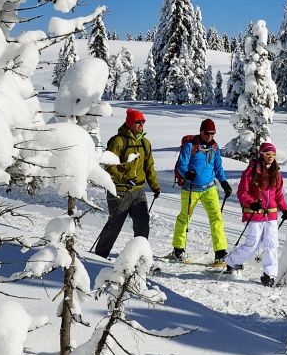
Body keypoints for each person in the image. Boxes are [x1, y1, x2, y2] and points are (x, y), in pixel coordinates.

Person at [93, 108, 160, 258]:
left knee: (143, 224)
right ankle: (99, 257)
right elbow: (109, 165)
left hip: (138, 190)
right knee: (114, 225)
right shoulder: (118, 141)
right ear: (130, 123)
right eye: (138, 122)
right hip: (119, 191)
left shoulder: (145, 142)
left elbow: (149, 166)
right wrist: (123, 179)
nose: (141, 124)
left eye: (143, 121)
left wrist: (155, 186)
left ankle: (140, 258)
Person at [221, 141, 287, 285]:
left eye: (273, 154)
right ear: (261, 154)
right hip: (255, 214)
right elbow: (242, 192)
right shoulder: (252, 170)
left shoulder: (276, 173)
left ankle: (269, 275)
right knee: (252, 244)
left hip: (271, 215)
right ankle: (232, 261)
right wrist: (251, 202)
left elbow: (278, 195)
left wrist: (284, 209)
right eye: (267, 154)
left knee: (272, 245)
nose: (270, 157)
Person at [171, 118, 231, 263]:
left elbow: (218, 167)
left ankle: (220, 252)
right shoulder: (190, 146)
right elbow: (181, 164)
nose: (210, 136)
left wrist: (223, 182)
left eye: (213, 133)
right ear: (201, 131)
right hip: (191, 188)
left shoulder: (214, 147)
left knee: (217, 218)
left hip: (209, 188)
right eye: (207, 133)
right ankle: (178, 249)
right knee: (185, 218)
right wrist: (186, 173)